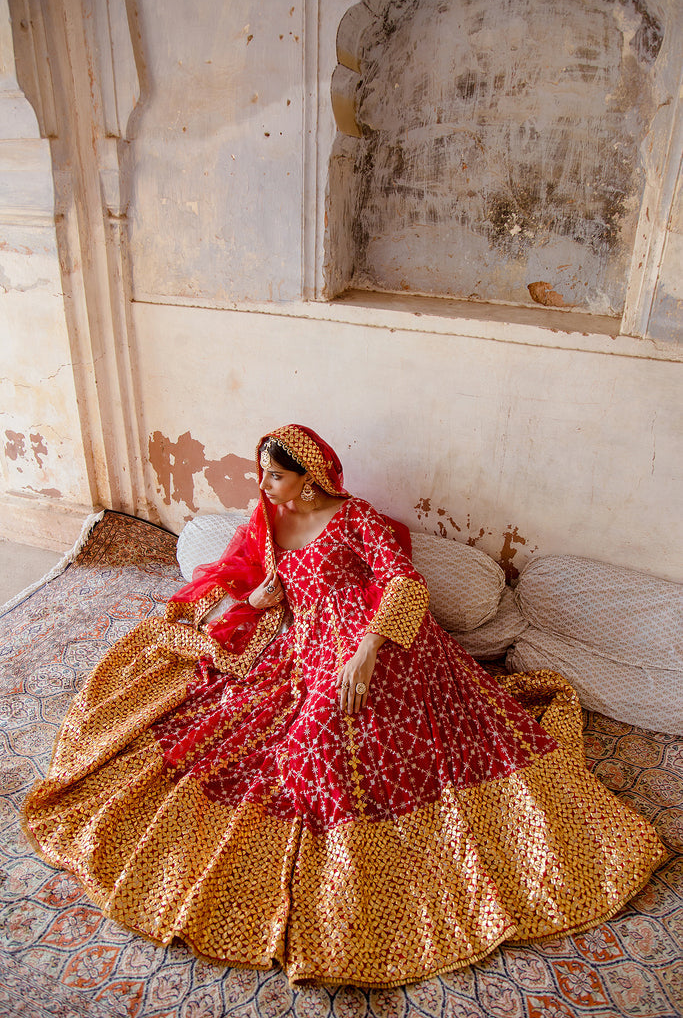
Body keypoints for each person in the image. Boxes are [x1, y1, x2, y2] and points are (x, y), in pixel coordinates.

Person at [23, 423, 665, 988]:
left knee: (357, 725)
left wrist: (367, 650)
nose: (265, 485)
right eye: (265, 475)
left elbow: (404, 582)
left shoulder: (357, 520)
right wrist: (261, 604)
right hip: (301, 648)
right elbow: (251, 589)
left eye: (276, 476)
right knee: (267, 732)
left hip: (384, 641)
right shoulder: (268, 519)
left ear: (310, 477)